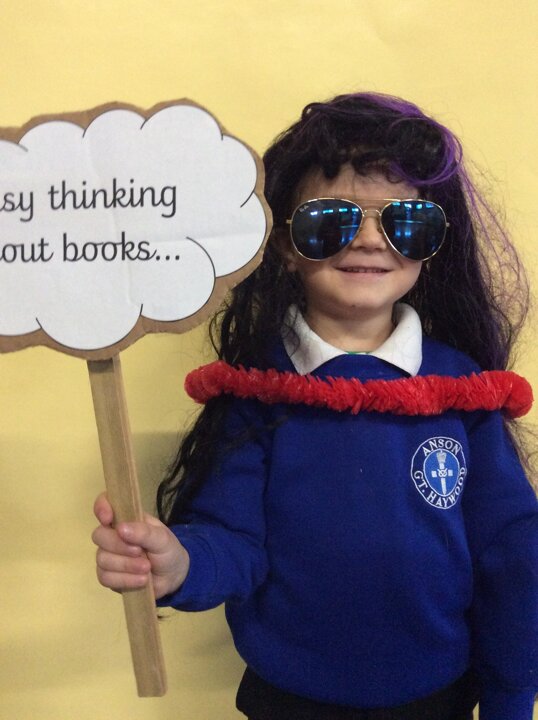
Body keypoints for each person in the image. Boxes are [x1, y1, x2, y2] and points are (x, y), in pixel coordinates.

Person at [92, 92, 538, 720]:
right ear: (282, 243)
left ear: (435, 242)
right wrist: (179, 563)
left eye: (407, 220)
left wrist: (512, 695)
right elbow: (233, 539)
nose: (370, 240)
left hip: (438, 695)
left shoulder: (465, 391)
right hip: (288, 698)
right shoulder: (256, 389)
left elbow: (512, 555)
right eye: (330, 219)